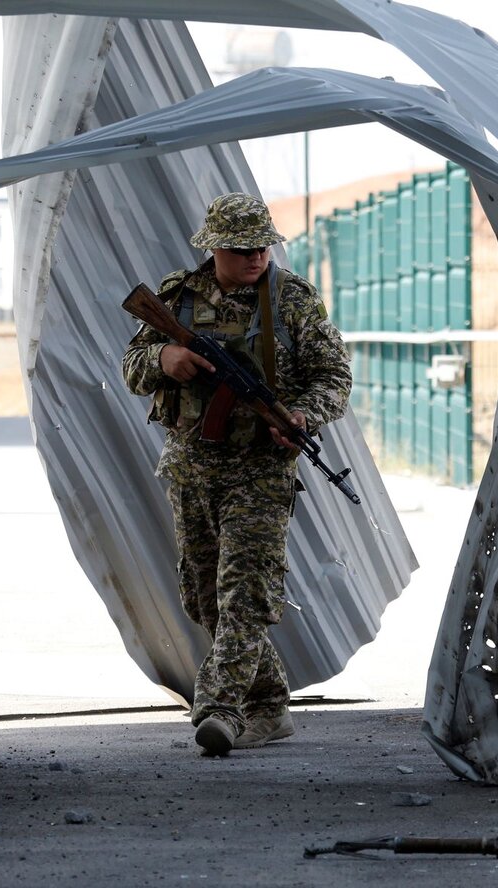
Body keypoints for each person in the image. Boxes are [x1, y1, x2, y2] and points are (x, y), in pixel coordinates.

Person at [122, 193, 352, 756]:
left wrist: (302, 416)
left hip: (260, 472)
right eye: (242, 248)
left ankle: (220, 707)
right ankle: (270, 706)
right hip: (191, 467)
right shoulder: (177, 296)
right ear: (214, 249)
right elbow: (132, 367)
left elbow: (334, 378)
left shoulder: (292, 300)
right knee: (204, 598)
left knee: (244, 593)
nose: (256, 257)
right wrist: (164, 360)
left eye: (263, 247)